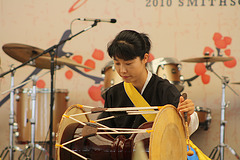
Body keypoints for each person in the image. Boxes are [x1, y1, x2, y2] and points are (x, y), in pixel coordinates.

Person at [98, 30, 199, 136]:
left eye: (128, 63)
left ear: (145, 58)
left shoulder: (164, 90)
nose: (122, 70)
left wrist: (187, 113)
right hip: (124, 152)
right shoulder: (113, 94)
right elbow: (106, 133)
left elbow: (185, 126)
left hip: (157, 152)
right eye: (117, 63)